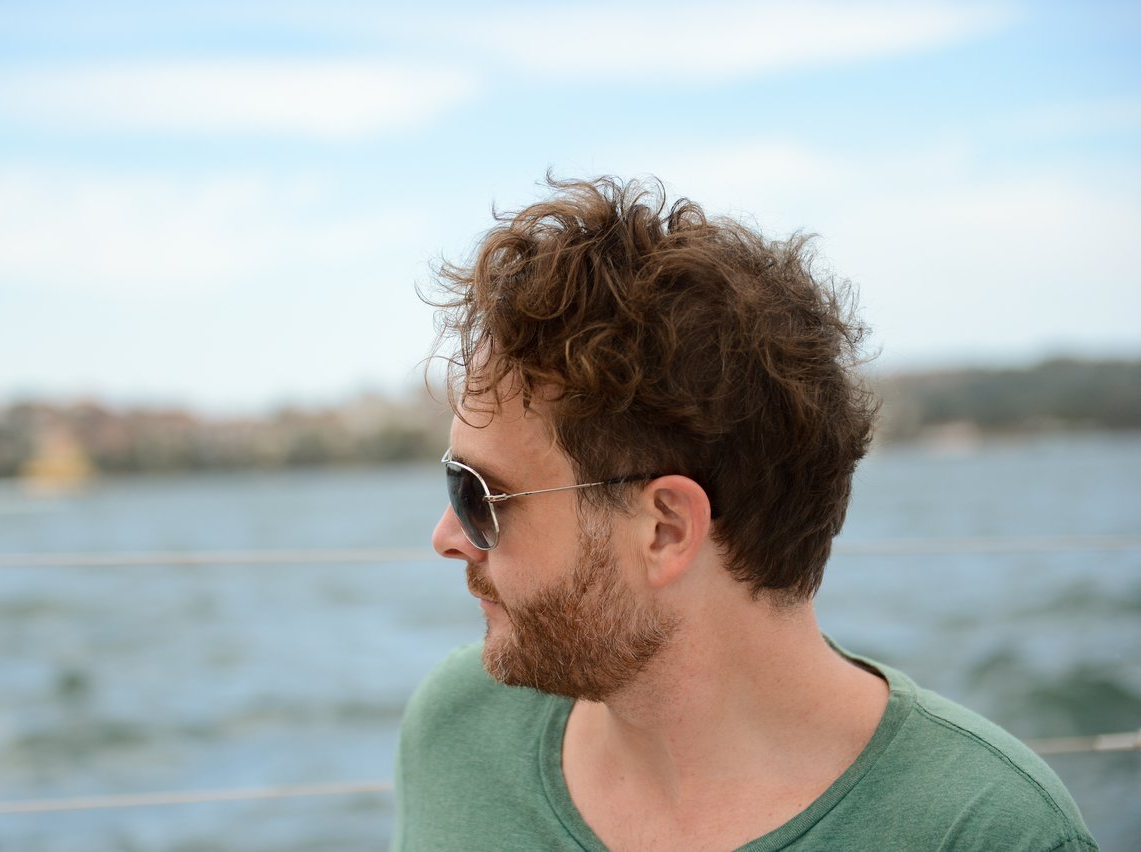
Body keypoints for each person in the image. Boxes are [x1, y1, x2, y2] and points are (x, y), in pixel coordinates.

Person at [391, 176, 1096, 851]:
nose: (447, 537)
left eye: (478, 495)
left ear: (665, 529)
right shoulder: (456, 728)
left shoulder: (988, 832)